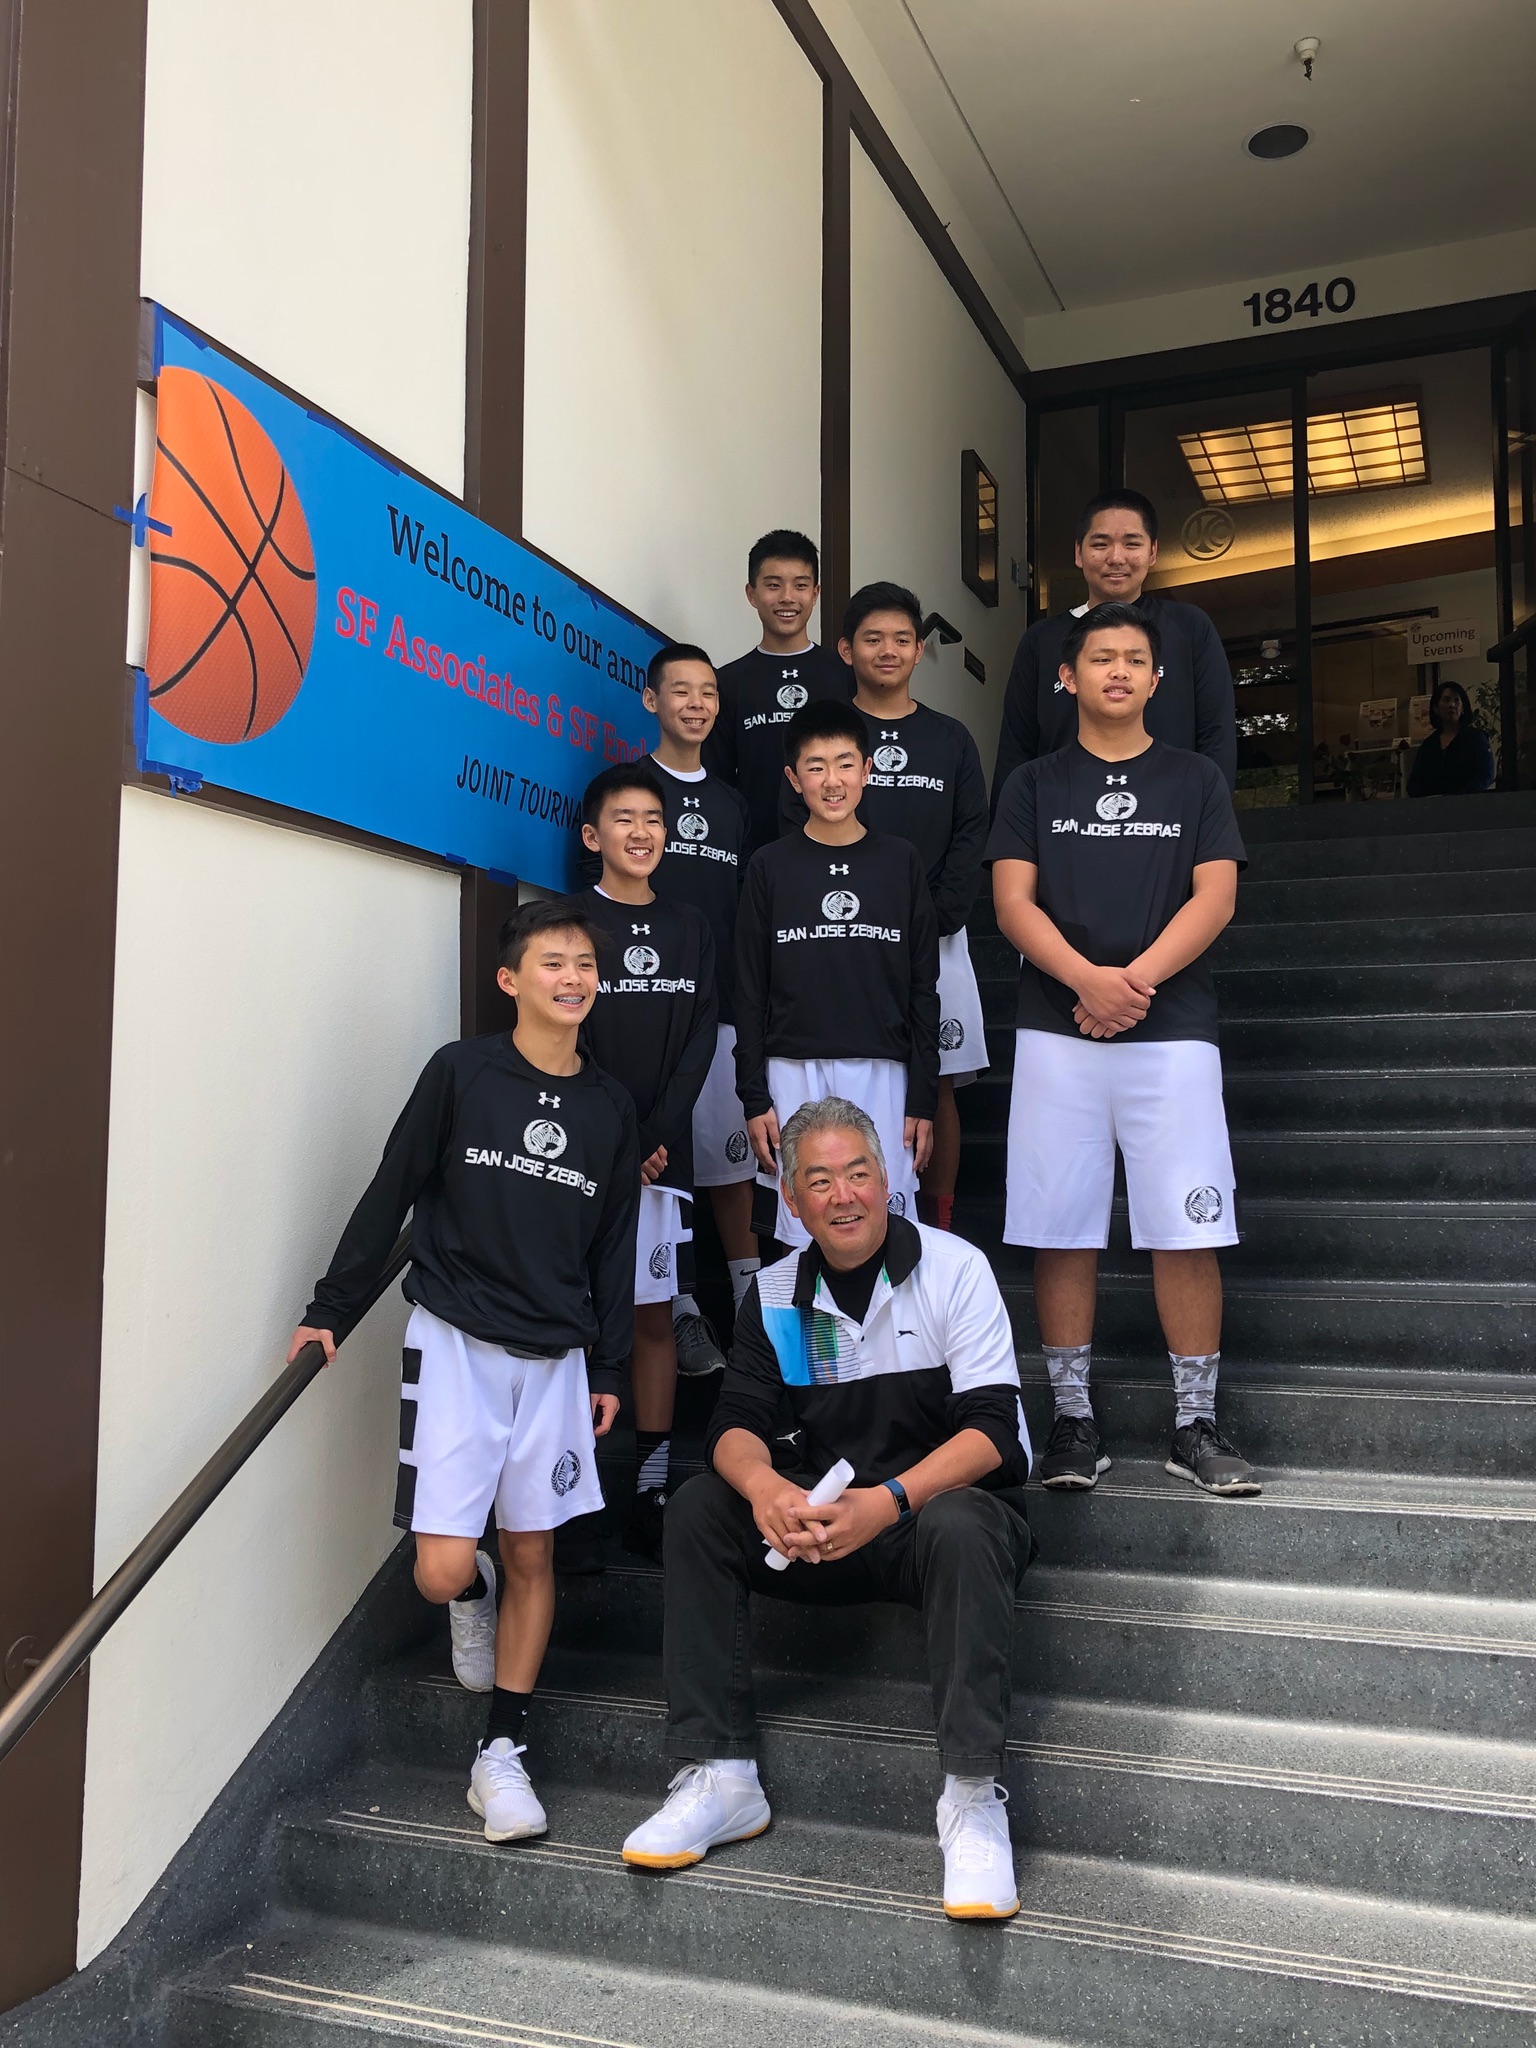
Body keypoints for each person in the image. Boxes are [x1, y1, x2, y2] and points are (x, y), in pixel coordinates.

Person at [620, 1097, 1032, 1922]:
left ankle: (972, 1798)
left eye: (858, 1174)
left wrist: (888, 1502)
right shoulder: (775, 1293)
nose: (844, 1196)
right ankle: (721, 1776)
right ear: (792, 1200)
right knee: (699, 1506)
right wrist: (767, 1490)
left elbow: (993, 1431)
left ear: (887, 1178)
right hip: (822, 1529)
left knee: (962, 1522)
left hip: (926, 1525)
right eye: (820, 1181)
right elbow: (734, 1426)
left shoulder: (955, 1269)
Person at [288, 900, 638, 1844]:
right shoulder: (461, 1073)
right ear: (510, 980)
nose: (573, 978)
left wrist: (609, 1363)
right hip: (454, 1342)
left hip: (557, 1358)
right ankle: (471, 1597)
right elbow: (392, 1186)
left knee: (535, 1552)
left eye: (585, 964)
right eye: (553, 962)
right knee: (442, 1571)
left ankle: (502, 1753)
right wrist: (331, 1306)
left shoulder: (611, 1105)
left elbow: (614, 1244)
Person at [987, 600, 1260, 1498]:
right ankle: (1071, 1420)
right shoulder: (1032, 785)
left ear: (1156, 678)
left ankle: (1194, 1424)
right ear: (1066, 677)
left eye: (1134, 659)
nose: (1117, 671)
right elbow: (1012, 903)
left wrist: (1129, 983)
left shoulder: (1195, 780)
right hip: (1056, 1027)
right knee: (1060, 1225)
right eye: (1100, 657)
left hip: (1171, 1031)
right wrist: (1085, 981)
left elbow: (1216, 898)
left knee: (1188, 1225)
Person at [783, 580, 989, 1231]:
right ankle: (841, 1228)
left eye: (902, 639)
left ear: (920, 650)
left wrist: (935, 916)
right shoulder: (827, 734)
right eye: (873, 639)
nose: (889, 650)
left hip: (936, 939)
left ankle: (936, 1224)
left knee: (938, 1080)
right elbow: (795, 825)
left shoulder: (951, 738)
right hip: (836, 936)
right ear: (847, 649)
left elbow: (970, 834)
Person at [734, 697, 939, 1249]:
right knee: (802, 1227)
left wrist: (922, 1097)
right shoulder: (769, 866)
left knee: (883, 1223)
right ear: (793, 778)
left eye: (845, 764)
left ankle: (890, 1314)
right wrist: (753, 1095)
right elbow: (749, 988)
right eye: (816, 766)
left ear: (867, 770)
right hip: (791, 1068)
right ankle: (806, 1314)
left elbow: (923, 987)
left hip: (884, 1069)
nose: (832, 781)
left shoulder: (901, 861)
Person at [577, 763, 718, 1559]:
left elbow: (701, 1037)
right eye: (624, 819)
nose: (641, 832)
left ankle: (653, 1484)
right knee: (578, 1314)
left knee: (653, 1317)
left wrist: (657, 1132)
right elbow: (560, 1033)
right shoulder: (570, 924)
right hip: (588, 1154)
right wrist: (616, 1139)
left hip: (663, 1158)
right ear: (593, 835)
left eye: (653, 819)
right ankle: (572, 1484)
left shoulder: (690, 925)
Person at [638, 643, 761, 1371]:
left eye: (708, 692)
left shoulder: (732, 803)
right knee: (665, 1159)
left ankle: (748, 1303)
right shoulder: (630, 791)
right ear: (651, 700)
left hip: (722, 1009)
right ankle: (681, 1307)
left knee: (730, 1161)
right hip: (648, 1009)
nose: (696, 704)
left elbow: (744, 909)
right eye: (680, 690)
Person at [992, 490, 1237, 803]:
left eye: (1132, 544)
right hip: (1063, 816)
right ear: (1079, 553)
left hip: (1170, 812)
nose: (1116, 558)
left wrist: (1210, 813)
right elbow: (1016, 747)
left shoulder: (1188, 627)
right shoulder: (1042, 640)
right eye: (1100, 544)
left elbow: (1217, 733)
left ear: (1152, 551)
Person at [705, 529, 853, 856]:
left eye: (800, 585)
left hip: (841, 850)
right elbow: (718, 780)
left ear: (815, 593)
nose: (787, 597)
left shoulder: (844, 675)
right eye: (773, 585)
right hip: (757, 853)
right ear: (752, 593)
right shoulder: (727, 682)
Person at [1408, 680, 1495, 797]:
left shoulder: (1476, 738)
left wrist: (1462, 797)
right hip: (1432, 805)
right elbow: (1414, 783)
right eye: (1446, 700)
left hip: (1467, 803)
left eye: (1456, 700)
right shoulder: (1429, 744)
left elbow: (1485, 774)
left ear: (1463, 707)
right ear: (1436, 708)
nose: (1452, 705)